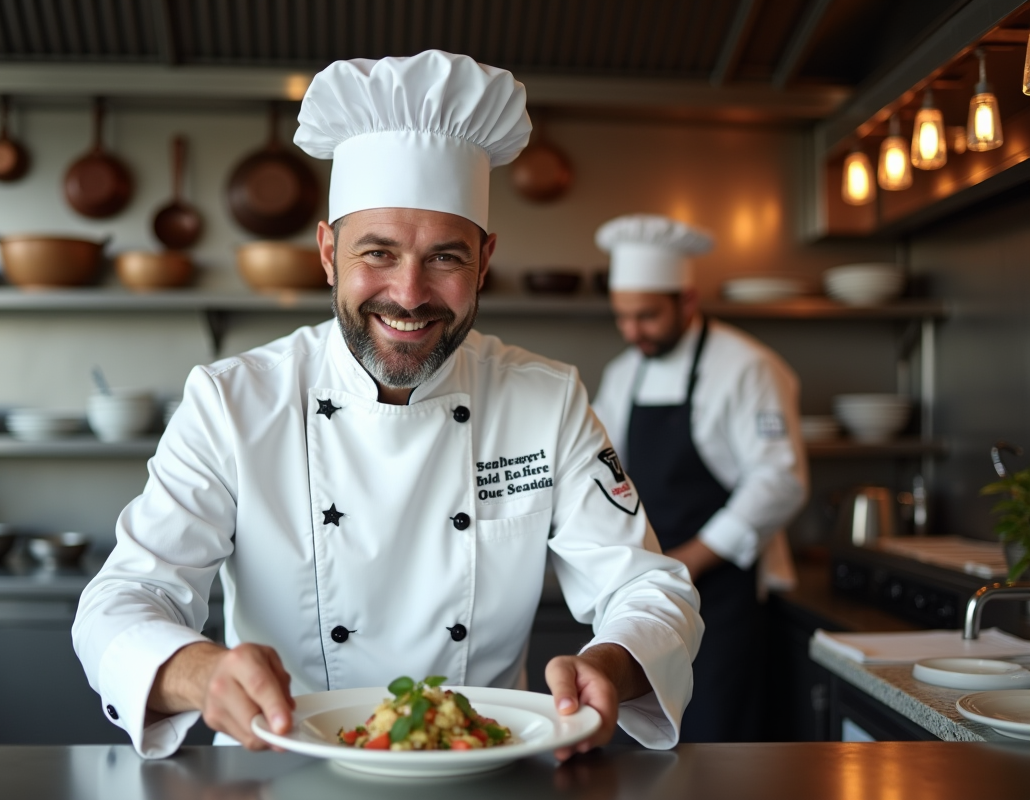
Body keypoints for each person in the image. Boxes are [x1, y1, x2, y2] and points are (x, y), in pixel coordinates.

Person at [73, 52, 702, 760]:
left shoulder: (546, 400)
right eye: (377, 253)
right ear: (327, 253)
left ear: (485, 261)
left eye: (446, 258)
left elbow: (651, 589)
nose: (408, 294)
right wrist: (200, 672)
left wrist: (609, 664)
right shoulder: (232, 401)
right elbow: (119, 601)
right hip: (282, 768)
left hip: (482, 771)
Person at [591, 214, 808, 742]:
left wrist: (691, 558)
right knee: (640, 745)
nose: (632, 331)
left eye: (646, 316)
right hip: (644, 591)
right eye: (622, 317)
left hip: (723, 594)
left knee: (716, 740)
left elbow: (780, 480)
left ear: (687, 301)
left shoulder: (747, 368)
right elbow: (598, 464)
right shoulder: (625, 372)